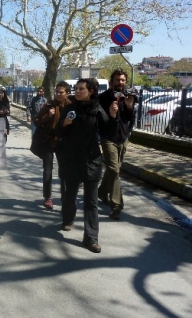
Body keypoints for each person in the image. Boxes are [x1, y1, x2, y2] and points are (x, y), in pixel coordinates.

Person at [55, 78, 118, 253]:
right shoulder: (70, 108)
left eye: (81, 89)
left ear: (91, 91)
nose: (77, 91)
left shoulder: (97, 109)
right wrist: (64, 124)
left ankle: (91, 238)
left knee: (91, 201)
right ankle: (68, 219)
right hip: (71, 158)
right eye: (76, 88)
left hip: (91, 159)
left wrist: (113, 116)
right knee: (70, 194)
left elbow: (109, 133)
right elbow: (58, 132)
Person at [97, 70, 135, 220]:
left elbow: (130, 119)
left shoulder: (128, 96)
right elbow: (101, 120)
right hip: (108, 138)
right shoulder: (103, 98)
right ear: (111, 81)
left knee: (114, 169)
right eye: (118, 80)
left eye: (123, 80)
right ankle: (117, 205)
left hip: (123, 138)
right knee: (114, 169)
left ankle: (101, 192)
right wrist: (111, 115)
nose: (121, 82)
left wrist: (130, 107)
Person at [33, 81, 71, 209]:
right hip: (48, 142)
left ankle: (65, 196)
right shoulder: (49, 105)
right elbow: (36, 121)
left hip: (63, 143)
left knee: (64, 171)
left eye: (61, 92)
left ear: (67, 93)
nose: (58, 94)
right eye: (57, 92)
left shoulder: (71, 106)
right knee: (48, 171)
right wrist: (48, 116)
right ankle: (47, 197)